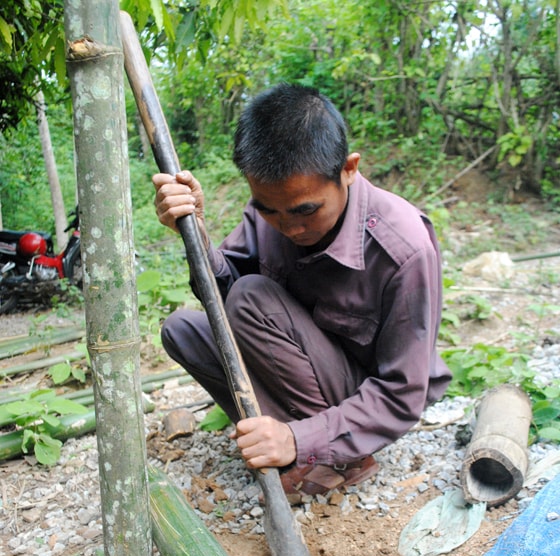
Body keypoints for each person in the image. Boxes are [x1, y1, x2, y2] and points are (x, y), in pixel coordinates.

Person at [153, 83, 451, 497]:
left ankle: (336, 454)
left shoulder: (404, 249)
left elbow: (403, 394)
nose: (289, 227)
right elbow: (223, 298)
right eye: (268, 210)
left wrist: (299, 440)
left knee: (252, 297)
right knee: (183, 331)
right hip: (301, 365)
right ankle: (282, 436)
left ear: (348, 169)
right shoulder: (271, 213)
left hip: (362, 393)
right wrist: (196, 233)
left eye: (306, 210)